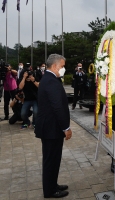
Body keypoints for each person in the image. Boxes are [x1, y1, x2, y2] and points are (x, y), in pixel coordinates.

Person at [35, 54, 72, 198]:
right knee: (51, 160)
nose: (63, 69)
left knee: (54, 159)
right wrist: (66, 128)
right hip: (52, 128)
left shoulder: (50, 79)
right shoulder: (51, 81)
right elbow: (58, 107)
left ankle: (52, 184)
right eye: (62, 66)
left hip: (51, 127)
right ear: (55, 66)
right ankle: (50, 191)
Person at [18, 63, 39, 129]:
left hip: (35, 99)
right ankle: (27, 122)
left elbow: (39, 86)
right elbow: (20, 87)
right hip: (27, 99)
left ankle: (35, 123)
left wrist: (33, 80)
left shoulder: (34, 78)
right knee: (23, 114)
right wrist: (24, 78)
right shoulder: (23, 79)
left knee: (36, 112)